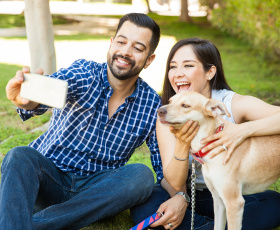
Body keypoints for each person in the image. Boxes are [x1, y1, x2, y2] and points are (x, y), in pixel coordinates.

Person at [0, 13, 164, 230]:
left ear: (149, 60)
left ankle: (34, 224)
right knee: (19, 156)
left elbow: (162, 164)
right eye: (121, 42)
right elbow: (43, 96)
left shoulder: (151, 103)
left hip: (96, 192)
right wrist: (25, 100)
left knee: (141, 177)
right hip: (49, 178)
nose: (125, 52)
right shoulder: (85, 73)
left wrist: (179, 195)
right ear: (111, 43)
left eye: (138, 47)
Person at [131, 38, 280, 230]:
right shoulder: (170, 113)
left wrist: (241, 130)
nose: (178, 74)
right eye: (173, 67)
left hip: (229, 190)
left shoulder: (230, 103)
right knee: (145, 208)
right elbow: (175, 182)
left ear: (210, 72)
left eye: (188, 65)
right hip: (187, 193)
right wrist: (183, 146)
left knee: (272, 204)